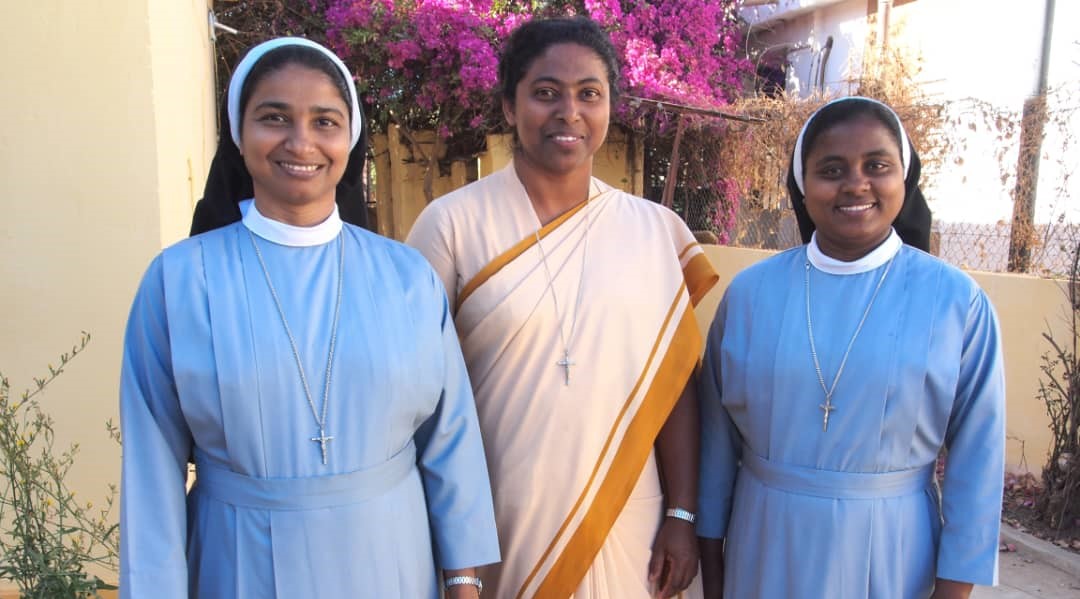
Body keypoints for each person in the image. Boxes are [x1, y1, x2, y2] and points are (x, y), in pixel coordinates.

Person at [119, 37, 500, 599]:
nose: (301, 141)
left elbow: (449, 437)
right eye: (274, 118)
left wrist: (463, 577)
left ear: (350, 138)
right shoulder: (178, 281)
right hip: (236, 563)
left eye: (325, 121)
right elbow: (151, 470)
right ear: (239, 135)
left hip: (390, 559)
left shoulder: (406, 277)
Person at [407, 16, 718, 599]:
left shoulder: (656, 231)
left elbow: (675, 384)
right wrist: (452, 555)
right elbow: (420, 396)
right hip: (495, 518)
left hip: (628, 514)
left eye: (589, 94)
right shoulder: (451, 224)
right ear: (509, 105)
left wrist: (682, 515)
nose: (568, 112)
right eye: (545, 93)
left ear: (609, 107)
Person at [697, 96, 1006, 599]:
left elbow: (979, 461)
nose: (855, 183)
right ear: (802, 184)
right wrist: (712, 570)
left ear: (903, 178)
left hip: (893, 551)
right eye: (831, 169)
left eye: (877, 166)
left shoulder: (957, 301)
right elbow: (714, 443)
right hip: (765, 544)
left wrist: (954, 592)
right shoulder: (751, 295)